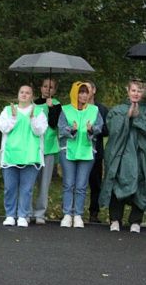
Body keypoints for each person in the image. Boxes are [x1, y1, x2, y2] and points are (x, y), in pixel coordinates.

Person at [99, 79, 146, 233]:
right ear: (128, 91)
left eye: (139, 91)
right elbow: (112, 129)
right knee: (116, 184)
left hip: (140, 157)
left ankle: (135, 221)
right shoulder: (118, 110)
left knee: (141, 185)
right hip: (120, 156)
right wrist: (127, 116)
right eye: (133, 90)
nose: (136, 93)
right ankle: (115, 219)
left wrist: (138, 118)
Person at [0, 85, 47, 227]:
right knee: (9, 187)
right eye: (22, 92)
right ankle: (10, 215)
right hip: (10, 155)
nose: (24, 95)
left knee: (27, 189)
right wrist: (13, 117)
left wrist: (32, 118)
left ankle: (22, 215)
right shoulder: (8, 110)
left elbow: (39, 131)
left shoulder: (38, 111)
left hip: (30, 156)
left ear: (32, 96)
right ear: (18, 94)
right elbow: (3, 127)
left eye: (28, 93)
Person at [58, 81, 103, 228]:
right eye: (81, 92)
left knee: (81, 185)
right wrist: (72, 130)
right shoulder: (65, 110)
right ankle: (67, 214)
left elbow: (99, 128)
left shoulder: (94, 110)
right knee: (68, 184)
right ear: (74, 93)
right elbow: (61, 128)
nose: (84, 95)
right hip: (68, 151)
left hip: (87, 151)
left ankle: (77, 215)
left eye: (85, 92)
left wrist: (91, 129)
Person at [31, 78, 61, 224]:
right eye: (45, 86)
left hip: (48, 148)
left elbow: (54, 125)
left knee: (44, 183)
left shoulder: (56, 105)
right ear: (40, 88)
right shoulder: (32, 104)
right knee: (29, 182)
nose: (47, 89)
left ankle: (40, 213)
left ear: (54, 90)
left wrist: (51, 109)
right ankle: (27, 211)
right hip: (32, 148)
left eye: (51, 87)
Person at [86, 80, 108, 223]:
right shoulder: (77, 108)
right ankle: (71, 212)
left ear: (94, 90)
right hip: (78, 151)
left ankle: (94, 213)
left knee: (95, 184)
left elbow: (107, 130)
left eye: (88, 89)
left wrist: (94, 129)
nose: (85, 92)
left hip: (96, 151)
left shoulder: (102, 109)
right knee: (75, 183)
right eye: (82, 90)